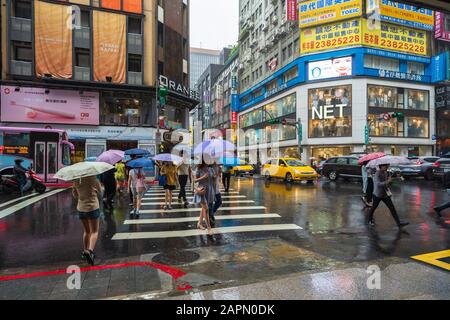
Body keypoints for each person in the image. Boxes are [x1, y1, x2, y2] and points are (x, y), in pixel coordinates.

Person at [367, 164, 409, 228]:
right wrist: (387, 181)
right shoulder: (377, 174)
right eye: (385, 166)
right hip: (377, 195)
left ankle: (399, 223)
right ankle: (369, 220)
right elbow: (378, 184)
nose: (387, 167)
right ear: (381, 167)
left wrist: (390, 182)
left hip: (385, 194)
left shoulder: (386, 173)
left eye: (387, 166)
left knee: (392, 208)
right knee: (373, 207)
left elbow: (387, 184)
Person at [72, 176, 102, 266]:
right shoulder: (94, 179)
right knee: (95, 232)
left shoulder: (76, 181)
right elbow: (100, 190)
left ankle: (85, 250)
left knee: (87, 231)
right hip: (93, 207)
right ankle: (90, 251)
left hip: (81, 208)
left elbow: (75, 194)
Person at [193, 161, 213, 235]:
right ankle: (209, 228)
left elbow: (212, 180)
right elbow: (194, 181)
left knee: (204, 208)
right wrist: (203, 177)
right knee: (206, 209)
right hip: (201, 190)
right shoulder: (198, 169)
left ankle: (199, 223)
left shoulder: (210, 169)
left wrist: (215, 176)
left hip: (209, 190)